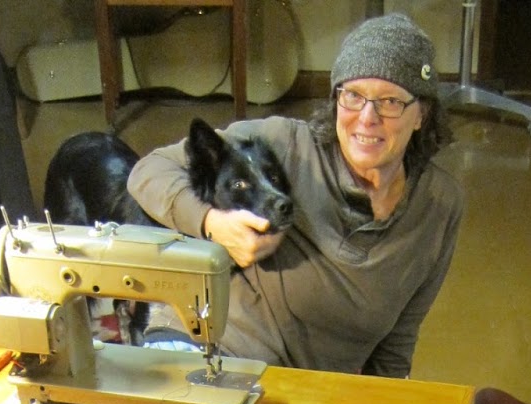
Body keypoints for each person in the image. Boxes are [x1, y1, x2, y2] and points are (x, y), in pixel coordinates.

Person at [127, 12, 463, 378]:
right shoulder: (287, 144)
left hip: (309, 386)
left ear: (422, 114)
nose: (367, 117)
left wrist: (382, 401)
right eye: (353, 96)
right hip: (208, 347)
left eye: (390, 102)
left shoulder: (439, 204)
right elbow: (150, 170)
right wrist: (211, 224)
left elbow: (398, 340)